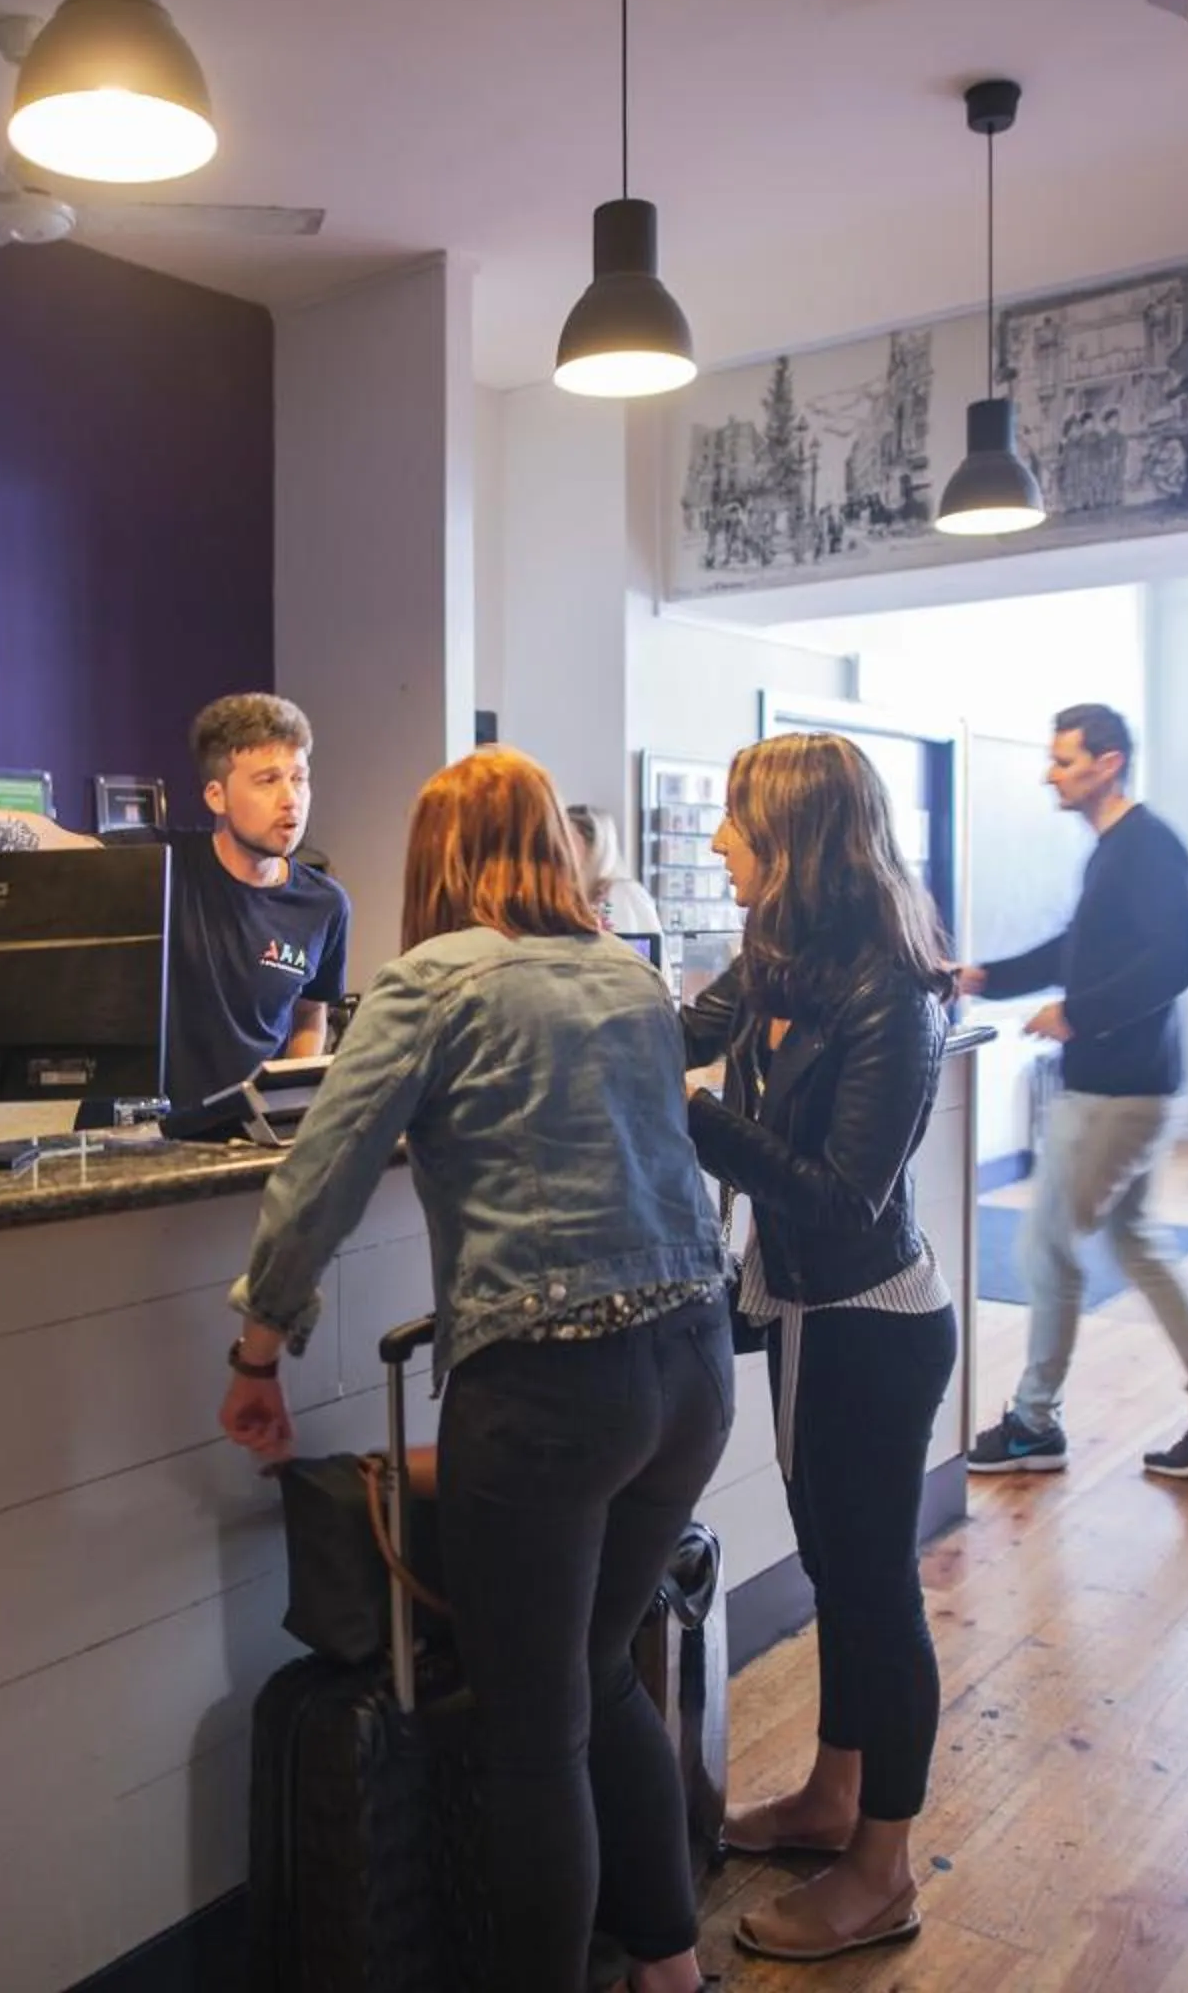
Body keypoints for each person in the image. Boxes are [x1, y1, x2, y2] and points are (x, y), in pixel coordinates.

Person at [217, 748, 734, 1993]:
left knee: (531, 1731)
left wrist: (258, 1347)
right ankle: (670, 1965)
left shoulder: (433, 980)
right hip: (692, 1366)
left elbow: (319, 1179)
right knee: (601, 1670)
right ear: (552, 845)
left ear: (434, 857)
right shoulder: (631, 972)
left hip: (551, 1388)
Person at [681, 731, 955, 1966]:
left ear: (790, 836)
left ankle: (882, 1870)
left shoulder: (892, 996)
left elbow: (846, 1198)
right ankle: (833, 1798)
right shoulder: (771, 960)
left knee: (874, 1592)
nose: (718, 841)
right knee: (839, 1574)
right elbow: (678, 1027)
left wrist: (697, 1120)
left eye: (736, 821)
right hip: (806, 1317)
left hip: (871, 1331)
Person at [962, 703, 1188, 1482]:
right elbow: (1078, 949)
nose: (1050, 775)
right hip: (1128, 1082)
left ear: (1108, 763)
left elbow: (1176, 962)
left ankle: (1034, 1423)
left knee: (1045, 1246)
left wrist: (1079, 1015)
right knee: (1135, 1241)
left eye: (1064, 761)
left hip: (1118, 1089)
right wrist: (984, 978)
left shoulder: (1148, 846)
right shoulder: (1113, 851)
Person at [0, 693, 349, 1112]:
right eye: (268, 780)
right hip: (142, 1136)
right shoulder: (159, 865)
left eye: (299, 778)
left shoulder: (324, 905)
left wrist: (293, 1109)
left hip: (245, 1139)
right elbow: (52, 845)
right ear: (216, 796)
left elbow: (309, 1014)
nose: (291, 798)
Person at [567, 802, 665, 940]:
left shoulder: (620, 894)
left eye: (568, 840)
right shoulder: (567, 895)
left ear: (596, 846)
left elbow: (630, 948)